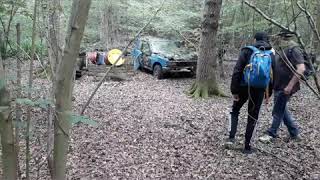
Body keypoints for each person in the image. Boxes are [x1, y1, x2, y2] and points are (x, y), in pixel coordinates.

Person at [226, 31, 275, 154]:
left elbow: (237, 70)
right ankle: (247, 147)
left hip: (243, 87)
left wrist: (234, 90)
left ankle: (231, 138)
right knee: (253, 116)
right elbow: (274, 75)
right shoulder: (271, 54)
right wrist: (268, 93)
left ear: (255, 39)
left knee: (235, 110)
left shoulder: (247, 50)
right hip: (259, 90)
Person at [261, 30, 305, 141]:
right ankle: (294, 133)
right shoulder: (281, 49)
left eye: (279, 36)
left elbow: (301, 68)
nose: (277, 38)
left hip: (286, 86)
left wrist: (290, 86)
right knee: (282, 109)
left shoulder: (294, 49)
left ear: (284, 37)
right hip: (278, 85)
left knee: (278, 110)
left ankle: (271, 134)